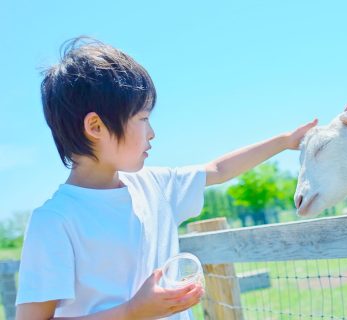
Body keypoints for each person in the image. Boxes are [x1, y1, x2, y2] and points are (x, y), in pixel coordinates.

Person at [15, 37, 317, 320]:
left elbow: (218, 170)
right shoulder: (55, 221)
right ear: (95, 126)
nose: (152, 132)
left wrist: (285, 141)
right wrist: (133, 311)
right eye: (143, 119)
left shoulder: (155, 186)